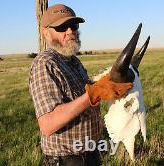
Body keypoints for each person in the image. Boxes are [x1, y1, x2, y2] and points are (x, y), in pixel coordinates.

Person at [29, 4, 133, 166]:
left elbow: (87, 93)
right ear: (46, 33)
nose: (70, 31)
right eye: (62, 27)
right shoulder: (45, 63)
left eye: (73, 25)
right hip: (67, 161)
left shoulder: (73, 61)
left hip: (90, 154)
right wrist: (95, 93)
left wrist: (110, 81)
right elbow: (48, 124)